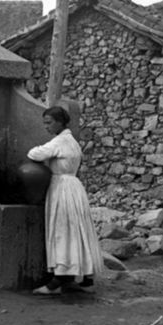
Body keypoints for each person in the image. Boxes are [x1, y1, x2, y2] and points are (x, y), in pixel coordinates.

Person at [27, 105, 105, 295]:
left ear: (60, 122)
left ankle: (58, 279)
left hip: (62, 188)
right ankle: (80, 277)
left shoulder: (60, 142)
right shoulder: (73, 141)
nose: (46, 127)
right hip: (74, 187)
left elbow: (34, 153)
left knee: (63, 231)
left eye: (49, 123)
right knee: (76, 231)